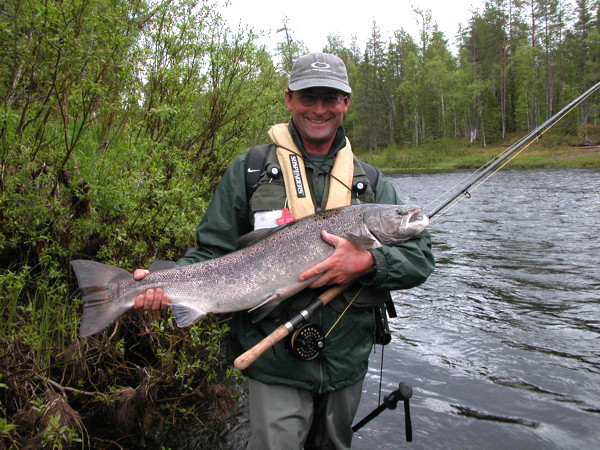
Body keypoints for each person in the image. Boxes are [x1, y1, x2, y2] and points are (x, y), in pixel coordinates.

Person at [133, 52, 434, 449]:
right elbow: (212, 251)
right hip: (273, 360)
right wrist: (163, 282)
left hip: (347, 360)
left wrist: (367, 262)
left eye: (331, 98)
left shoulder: (372, 184)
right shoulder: (251, 170)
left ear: (346, 103)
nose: (320, 109)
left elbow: (420, 259)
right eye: (309, 97)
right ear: (290, 99)